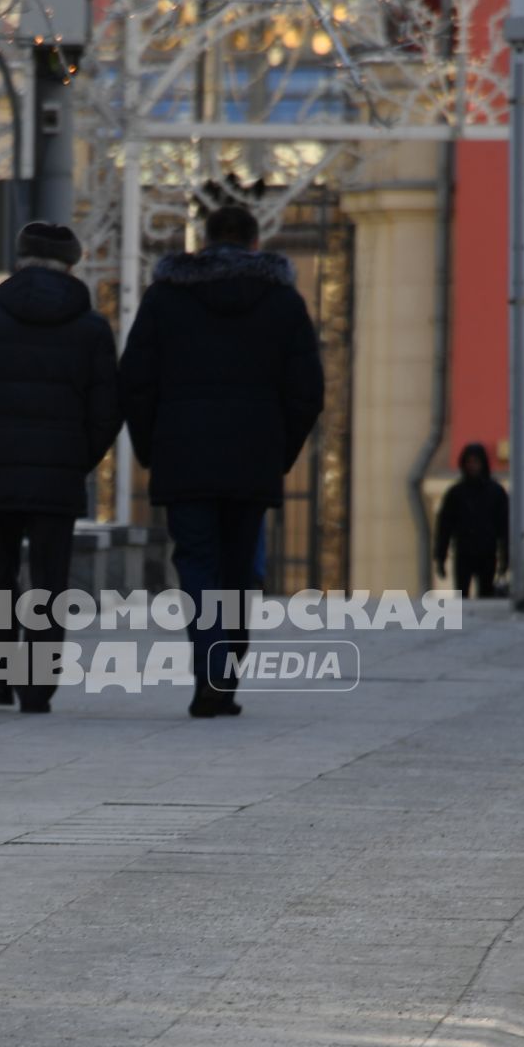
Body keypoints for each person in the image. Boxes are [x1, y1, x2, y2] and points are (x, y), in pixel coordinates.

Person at [121, 204, 323, 717]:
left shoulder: (165, 298)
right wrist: (279, 451)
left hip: (183, 453)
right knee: (238, 568)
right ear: (256, 243)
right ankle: (226, 670)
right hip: (253, 456)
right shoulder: (282, 303)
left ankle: (211, 671)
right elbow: (307, 391)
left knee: (196, 563)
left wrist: (152, 448)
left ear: (203, 241)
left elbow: (136, 382)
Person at [0, 222, 119, 714]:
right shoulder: (91, 328)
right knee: (49, 577)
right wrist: (78, 459)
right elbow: (107, 409)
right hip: (58, 471)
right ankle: (38, 687)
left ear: (18, 260)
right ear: (72, 264)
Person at [433, 443, 509, 597]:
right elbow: (445, 527)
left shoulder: (496, 492)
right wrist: (441, 557)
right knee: (462, 595)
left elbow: (504, 528)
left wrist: (505, 557)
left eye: (476, 462)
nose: (472, 466)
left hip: (487, 552)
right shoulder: (456, 493)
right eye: (469, 462)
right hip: (463, 552)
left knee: (486, 595)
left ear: (483, 464)